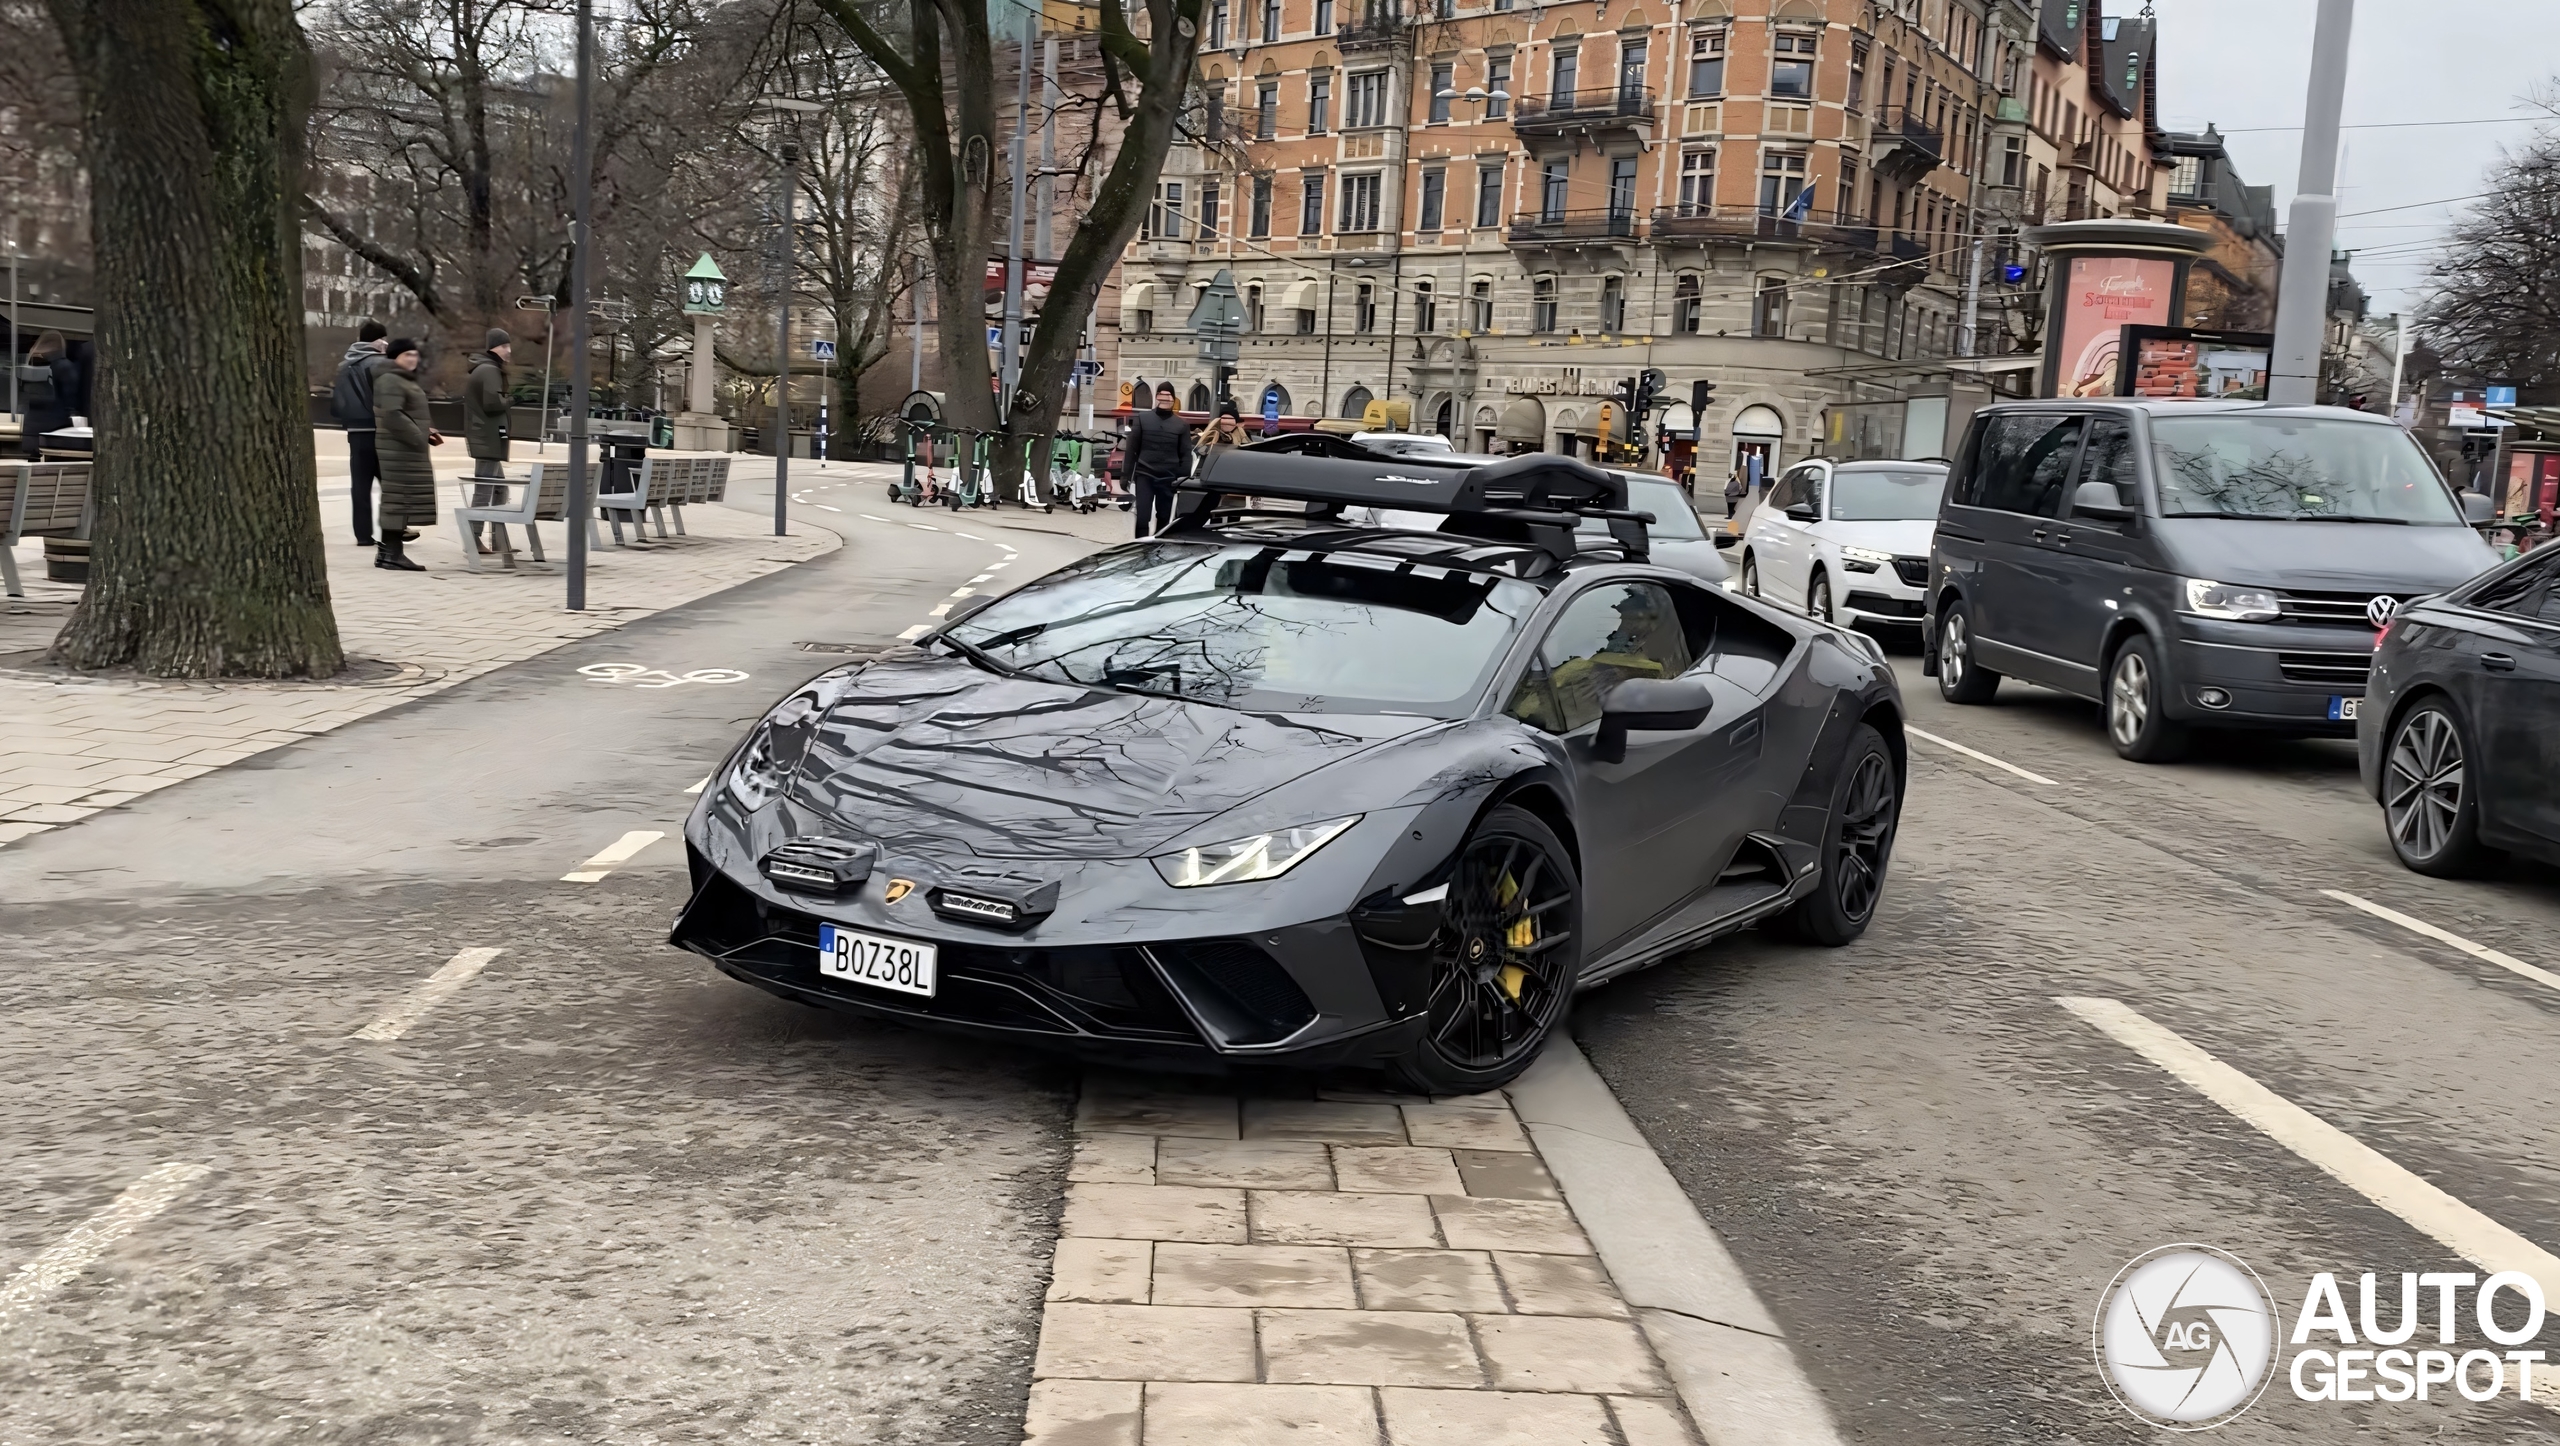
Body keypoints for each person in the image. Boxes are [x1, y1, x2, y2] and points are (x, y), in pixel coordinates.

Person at [372, 338, 443, 571]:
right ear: (394, 358)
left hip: (405, 449)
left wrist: (427, 431)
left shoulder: (401, 379)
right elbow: (392, 415)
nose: (412, 358)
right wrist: (418, 436)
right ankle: (391, 554)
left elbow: (407, 412)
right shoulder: (390, 379)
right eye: (407, 355)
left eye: (415, 354)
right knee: (397, 499)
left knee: (398, 499)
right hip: (399, 449)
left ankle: (388, 554)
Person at [330, 321, 391, 544]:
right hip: (378, 429)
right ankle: (393, 531)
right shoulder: (380, 363)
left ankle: (363, 535)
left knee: (360, 484)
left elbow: (338, 402)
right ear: (378, 340)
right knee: (390, 483)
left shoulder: (344, 365)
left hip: (355, 431)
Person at [463, 329, 513, 551]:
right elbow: (493, 404)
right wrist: (514, 398)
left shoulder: (486, 369)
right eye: (504, 346)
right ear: (494, 347)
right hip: (487, 438)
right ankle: (473, 539)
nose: (509, 351)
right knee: (485, 489)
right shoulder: (489, 370)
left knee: (499, 488)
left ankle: (497, 539)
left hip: (490, 437)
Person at [1124, 381, 1191, 537]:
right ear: (1156, 397)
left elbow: (1185, 454)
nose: (1165, 398)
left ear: (1174, 398)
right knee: (1142, 516)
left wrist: (1183, 480)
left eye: (1169, 395)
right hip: (1145, 474)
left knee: (1164, 517)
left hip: (1169, 477)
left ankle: (1159, 548)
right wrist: (1125, 476)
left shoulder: (1181, 425)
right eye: (1162, 394)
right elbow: (1132, 448)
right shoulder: (1143, 418)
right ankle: (1140, 548)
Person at [16, 330, 76, 460]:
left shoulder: (30, 366)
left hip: (32, 431)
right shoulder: (63, 366)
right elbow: (71, 397)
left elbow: (23, 398)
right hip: (55, 432)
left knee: (34, 470)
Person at [1197, 400, 1247, 472]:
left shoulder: (1241, 434)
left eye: (1230, 420)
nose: (1226, 423)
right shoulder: (1212, 434)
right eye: (1224, 419)